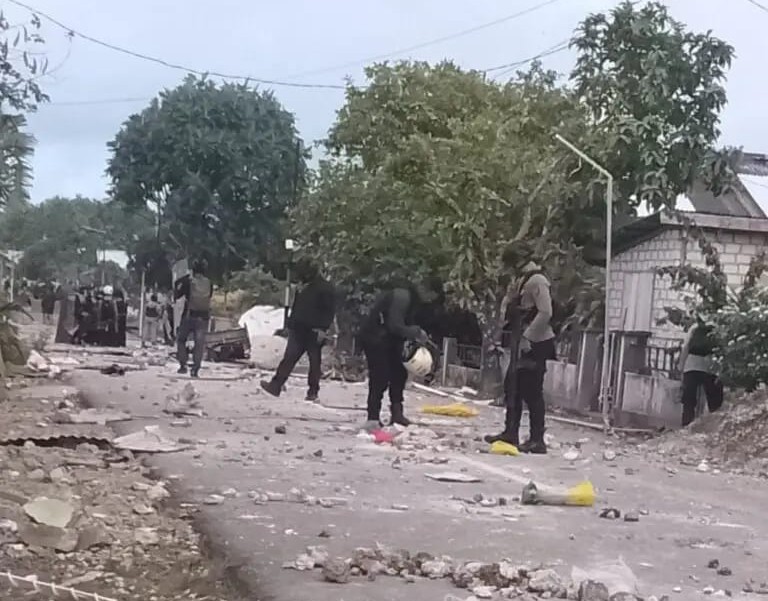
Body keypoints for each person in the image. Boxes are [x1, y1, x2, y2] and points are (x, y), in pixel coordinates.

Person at [485, 245, 556, 454]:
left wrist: (528, 337)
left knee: (532, 391)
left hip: (535, 343)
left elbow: (546, 312)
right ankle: (510, 432)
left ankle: (537, 440)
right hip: (520, 341)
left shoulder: (537, 281)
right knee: (512, 387)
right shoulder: (521, 281)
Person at [359, 277, 442, 430]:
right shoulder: (402, 296)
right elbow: (395, 325)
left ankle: (397, 414)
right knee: (380, 376)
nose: (430, 300)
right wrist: (416, 332)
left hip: (391, 340)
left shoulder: (415, 301)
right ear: (424, 289)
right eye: (431, 296)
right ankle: (373, 417)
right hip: (375, 338)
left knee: (399, 374)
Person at [260, 259, 336, 401]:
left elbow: (329, 311)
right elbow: (297, 307)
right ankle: (276, 385)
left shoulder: (325, 288)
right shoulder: (303, 287)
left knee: (314, 363)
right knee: (289, 358)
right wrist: (289, 325)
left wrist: (323, 329)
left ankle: (313, 392)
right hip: (298, 329)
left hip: (314, 330)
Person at [678, 318, 723, 427]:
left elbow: (685, 348)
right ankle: (714, 426)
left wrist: (681, 366)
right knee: (714, 401)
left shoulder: (694, 328)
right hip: (710, 366)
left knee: (689, 401)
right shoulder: (718, 329)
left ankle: (686, 425)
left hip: (691, 365)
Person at [174, 259, 213, 377]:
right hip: (203, 317)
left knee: (181, 339)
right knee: (199, 344)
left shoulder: (188, 281)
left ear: (193, 270)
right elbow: (210, 296)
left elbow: (178, 294)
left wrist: (182, 280)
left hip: (189, 315)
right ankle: (195, 369)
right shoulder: (209, 283)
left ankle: (183, 365)